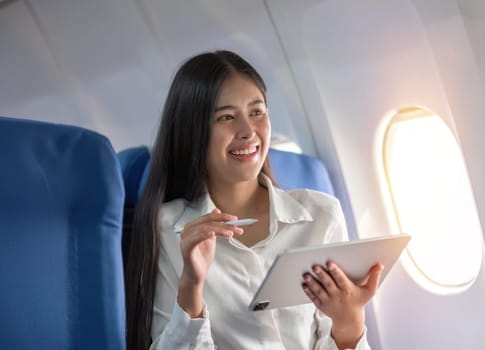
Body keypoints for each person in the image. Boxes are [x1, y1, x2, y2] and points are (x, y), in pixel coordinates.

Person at [124, 50, 383, 350]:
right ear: (193, 132)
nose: (248, 131)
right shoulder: (168, 228)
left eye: (257, 112)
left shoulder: (321, 214)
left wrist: (349, 321)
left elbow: (339, 334)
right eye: (226, 117)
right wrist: (192, 286)